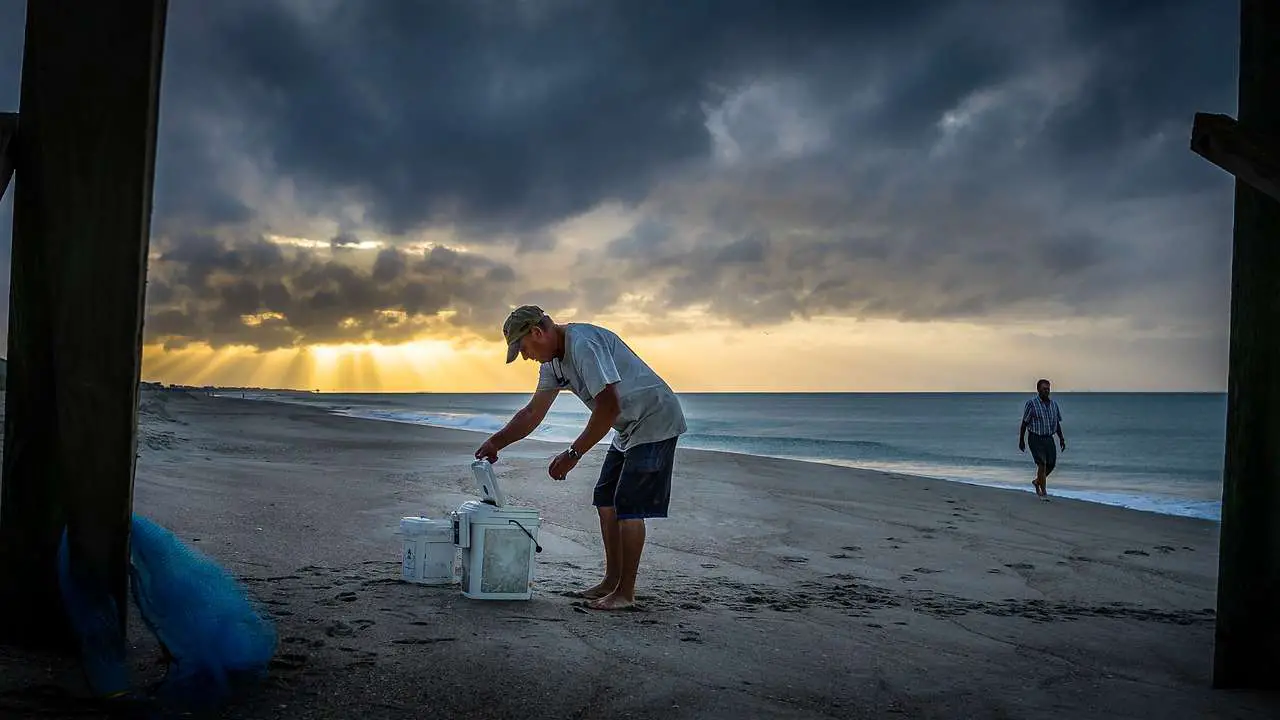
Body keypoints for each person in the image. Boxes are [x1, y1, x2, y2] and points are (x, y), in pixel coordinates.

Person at [474, 305, 686, 610]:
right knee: (605, 499)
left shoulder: (583, 344)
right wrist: (496, 442)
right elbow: (533, 412)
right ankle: (611, 581)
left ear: (537, 333)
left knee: (628, 504)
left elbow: (608, 406)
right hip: (629, 427)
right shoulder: (552, 364)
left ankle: (625, 592)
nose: (525, 356)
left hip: (655, 417)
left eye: (523, 348)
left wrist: (574, 453)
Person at [1019, 378, 1066, 500]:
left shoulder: (1054, 405)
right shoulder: (1032, 404)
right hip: (1035, 437)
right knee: (1042, 463)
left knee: (1051, 464)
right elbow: (1024, 423)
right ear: (1038, 390)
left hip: (1048, 438)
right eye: (1044, 389)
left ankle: (1037, 481)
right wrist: (1021, 440)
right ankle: (1043, 492)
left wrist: (1061, 438)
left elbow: (1057, 423)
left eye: (1048, 389)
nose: (1046, 391)